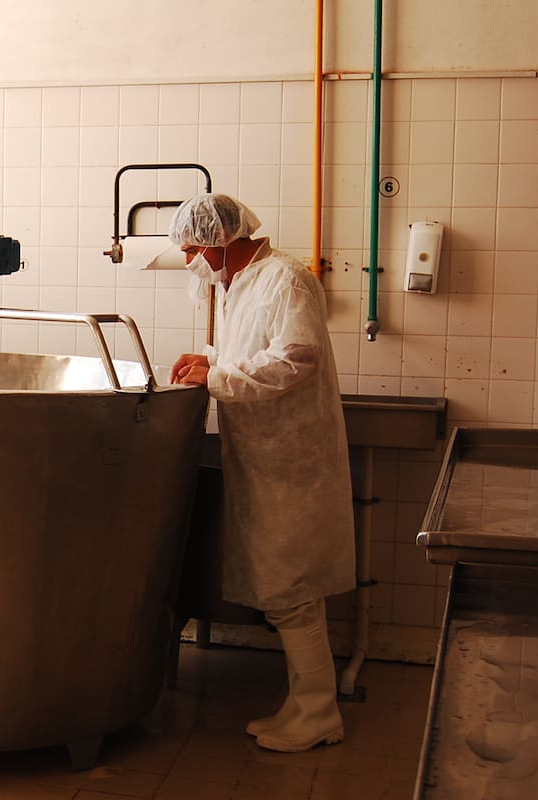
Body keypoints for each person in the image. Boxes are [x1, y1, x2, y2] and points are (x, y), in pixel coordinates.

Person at [168, 193, 356, 753]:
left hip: (292, 461)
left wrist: (217, 378)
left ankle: (320, 712)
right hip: (264, 459)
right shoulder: (239, 286)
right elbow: (249, 352)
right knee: (286, 590)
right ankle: (305, 705)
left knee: (292, 588)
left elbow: (297, 356)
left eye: (192, 250)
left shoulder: (285, 279)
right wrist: (209, 362)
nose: (188, 263)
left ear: (218, 242)